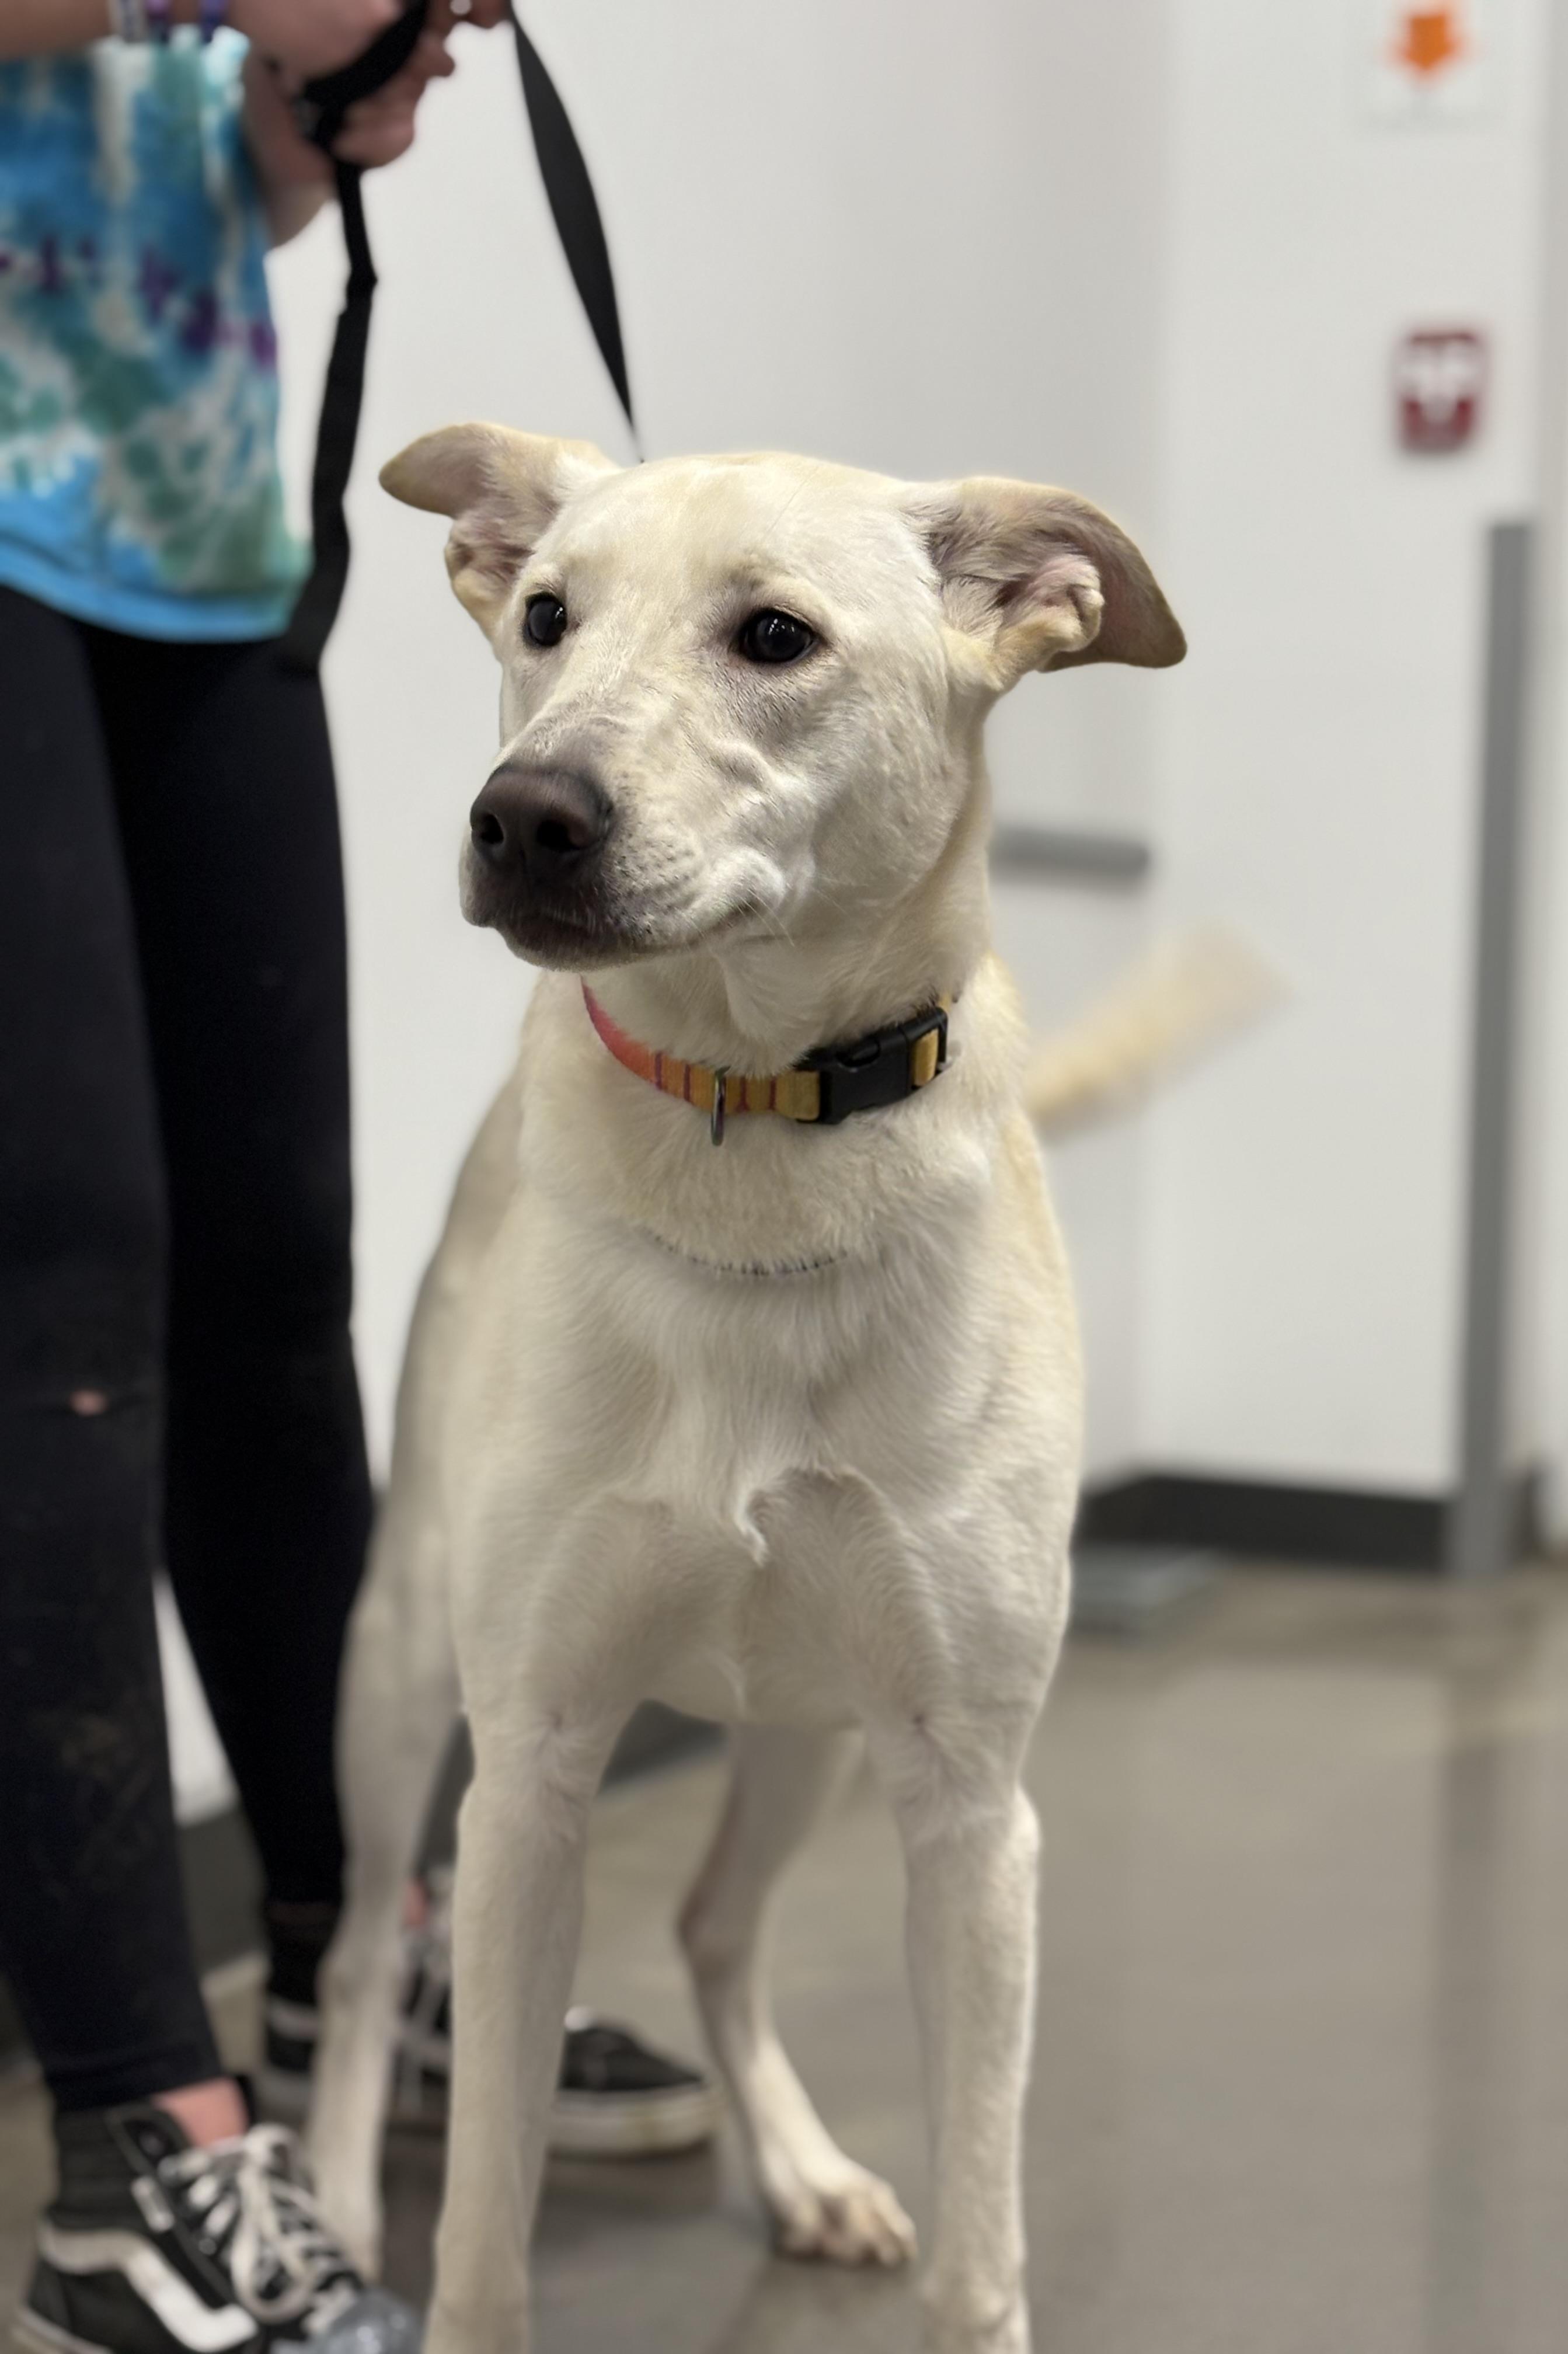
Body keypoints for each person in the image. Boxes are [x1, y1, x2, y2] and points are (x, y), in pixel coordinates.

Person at [0, 10, 708, 2352]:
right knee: (64, 1309)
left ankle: (353, 1964)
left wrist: (328, 90)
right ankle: (137, 2147)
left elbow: (208, 184)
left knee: (273, 1290)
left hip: (188, 528)